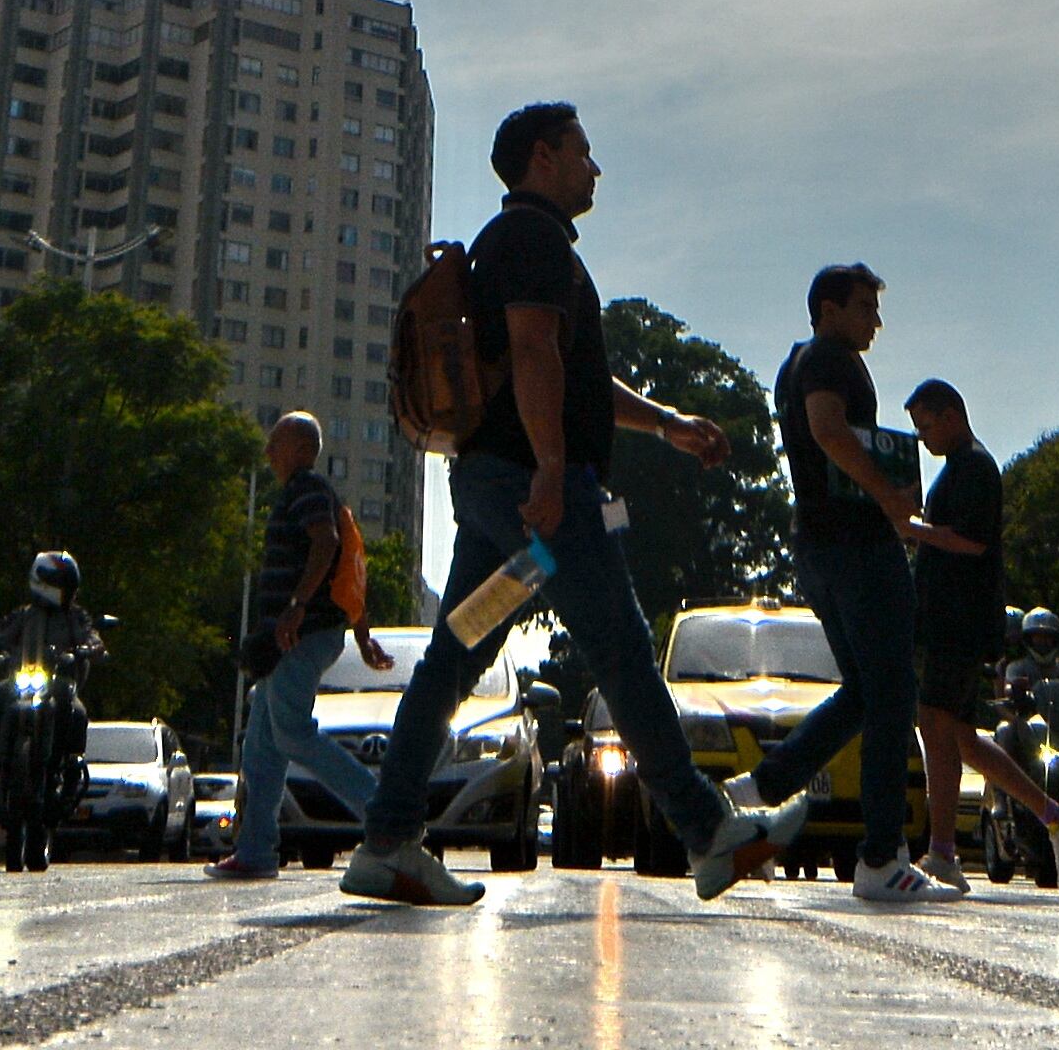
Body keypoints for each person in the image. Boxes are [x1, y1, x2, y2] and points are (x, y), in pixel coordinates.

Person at [342, 103, 806, 907]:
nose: (596, 169)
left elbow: (570, 372)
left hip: (503, 497)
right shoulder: (531, 239)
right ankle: (707, 831)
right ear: (543, 157)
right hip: (538, 498)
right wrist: (554, 472)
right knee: (620, 644)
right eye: (584, 153)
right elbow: (531, 353)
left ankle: (385, 843)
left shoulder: (520, 243)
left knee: (457, 650)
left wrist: (666, 425)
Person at [733, 264, 936, 903]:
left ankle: (760, 788)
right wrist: (889, 498)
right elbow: (827, 432)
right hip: (856, 546)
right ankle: (881, 858)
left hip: (818, 546)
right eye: (864, 307)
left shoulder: (797, 363)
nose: (875, 319)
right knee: (894, 692)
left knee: (867, 692)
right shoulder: (830, 361)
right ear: (828, 308)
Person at [899, 381, 1059, 895]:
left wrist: (914, 529)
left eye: (925, 425)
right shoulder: (960, 468)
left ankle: (943, 853)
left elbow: (972, 541)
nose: (922, 438)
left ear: (951, 415)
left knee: (935, 725)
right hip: (953, 622)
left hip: (959, 624)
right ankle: (1056, 817)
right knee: (961, 736)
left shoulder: (975, 468)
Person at [209, 413, 391, 880]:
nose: (268, 452)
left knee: (290, 733)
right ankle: (255, 851)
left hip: (301, 634)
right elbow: (351, 567)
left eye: (275, 442)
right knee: (262, 747)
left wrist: (295, 606)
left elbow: (328, 545)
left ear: (299, 448)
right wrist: (362, 633)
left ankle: (388, 818)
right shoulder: (310, 492)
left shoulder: (307, 489)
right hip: (291, 637)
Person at [0, 551, 107, 866]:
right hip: (20, 685)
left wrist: (90, 650)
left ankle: (70, 766)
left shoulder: (75, 617)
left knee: (77, 712)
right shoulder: (23, 616)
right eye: (64, 585)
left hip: (57, 686)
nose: (69, 592)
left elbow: (92, 638)